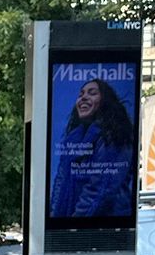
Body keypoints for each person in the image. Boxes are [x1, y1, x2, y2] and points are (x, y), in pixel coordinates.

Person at [48, 75, 136, 221]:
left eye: (92, 93)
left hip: (105, 226)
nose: (84, 97)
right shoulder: (72, 140)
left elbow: (100, 190)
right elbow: (59, 183)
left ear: (105, 101)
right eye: (81, 94)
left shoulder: (114, 137)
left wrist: (73, 225)